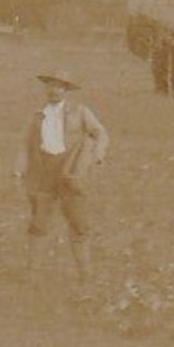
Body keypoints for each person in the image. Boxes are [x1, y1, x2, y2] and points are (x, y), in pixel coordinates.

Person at [15, 69, 110, 279]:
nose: (54, 90)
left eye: (59, 86)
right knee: (39, 222)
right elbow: (24, 143)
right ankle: (32, 272)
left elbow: (100, 133)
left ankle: (86, 274)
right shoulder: (37, 115)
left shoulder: (80, 111)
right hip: (44, 173)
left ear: (66, 90)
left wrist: (97, 154)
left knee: (79, 222)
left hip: (70, 173)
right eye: (50, 85)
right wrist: (19, 168)